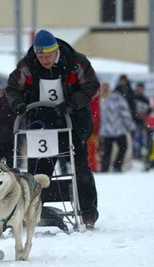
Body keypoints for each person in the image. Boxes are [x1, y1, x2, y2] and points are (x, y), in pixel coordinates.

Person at [6, 29, 100, 229]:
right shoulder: (28, 65)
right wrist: (19, 104)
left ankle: (88, 214)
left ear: (55, 51)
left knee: (80, 168)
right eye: (40, 57)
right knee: (39, 172)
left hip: (73, 123)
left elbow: (91, 85)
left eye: (47, 56)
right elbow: (12, 88)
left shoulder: (76, 62)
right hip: (40, 126)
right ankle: (35, 212)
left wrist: (72, 103)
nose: (44, 61)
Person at [98, 82, 136, 172]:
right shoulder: (118, 98)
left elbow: (100, 115)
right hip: (116, 129)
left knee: (108, 150)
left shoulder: (103, 98)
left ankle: (106, 168)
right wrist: (131, 127)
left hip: (109, 130)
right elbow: (125, 114)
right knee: (122, 147)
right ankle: (115, 167)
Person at [132, 82, 151, 159]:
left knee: (145, 138)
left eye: (141, 89)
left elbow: (149, 110)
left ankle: (144, 154)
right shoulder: (133, 98)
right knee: (137, 139)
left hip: (144, 121)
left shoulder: (145, 99)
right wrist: (137, 116)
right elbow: (131, 110)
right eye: (138, 89)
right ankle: (137, 154)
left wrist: (145, 115)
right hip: (135, 122)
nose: (140, 90)